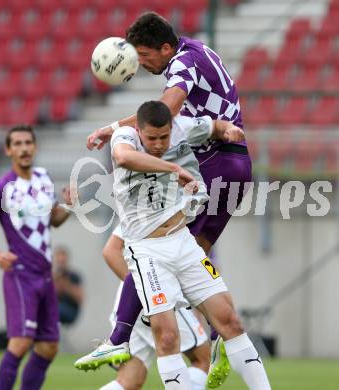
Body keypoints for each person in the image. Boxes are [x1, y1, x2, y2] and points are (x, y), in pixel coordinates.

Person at [86, 12, 252, 387]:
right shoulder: (194, 51)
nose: (140, 64)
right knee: (179, 250)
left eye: (144, 55)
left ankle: (129, 337)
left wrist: (112, 129)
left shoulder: (183, 63)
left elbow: (163, 116)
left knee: (153, 243)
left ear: (165, 47)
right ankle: (205, 328)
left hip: (217, 163)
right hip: (218, 163)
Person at [79, 101, 270, 390]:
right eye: (151, 138)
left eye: (164, 138)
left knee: (231, 322)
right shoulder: (125, 137)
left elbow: (213, 126)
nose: (157, 144)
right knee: (167, 338)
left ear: (171, 129)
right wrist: (173, 168)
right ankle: (118, 338)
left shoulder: (183, 127)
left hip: (184, 244)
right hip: (147, 252)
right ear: (139, 130)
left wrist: (228, 129)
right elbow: (124, 157)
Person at [0, 125, 73, 390]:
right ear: (8, 150)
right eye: (17, 143)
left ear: (35, 146)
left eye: (28, 142)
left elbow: (54, 220)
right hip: (20, 274)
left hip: (45, 275)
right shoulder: (1, 188)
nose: (24, 148)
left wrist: (70, 204)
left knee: (49, 346)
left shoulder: (43, 178)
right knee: (21, 342)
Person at [98, 225, 210, 390]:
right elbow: (111, 250)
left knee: (130, 381)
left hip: (132, 302)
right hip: (157, 295)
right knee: (202, 357)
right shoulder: (154, 208)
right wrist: (144, 290)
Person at [53, 246, 83, 325]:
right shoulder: (52, 276)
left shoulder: (73, 276)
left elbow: (80, 298)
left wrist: (66, 286)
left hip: (68, 310)